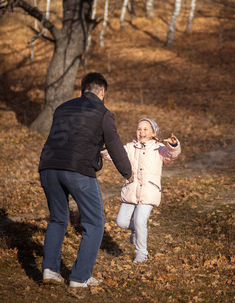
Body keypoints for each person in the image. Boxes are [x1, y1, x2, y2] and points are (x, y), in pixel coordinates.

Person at [38, 72, 133, 288]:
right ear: (102, 93)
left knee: (58, 219)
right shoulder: (103, 113)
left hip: (48, 167)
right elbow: (115, 144)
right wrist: (128, 172)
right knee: (95, 222)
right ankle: (80, 278)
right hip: (78, 170)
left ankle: (50, 270)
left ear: (81, 92)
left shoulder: (61, 108)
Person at [102, 118, 181, 263]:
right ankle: (137, 230)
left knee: (140, 220)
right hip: (131, 190)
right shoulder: (130, 147)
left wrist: (173, 146)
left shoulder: (159, 148)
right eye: (139, 129)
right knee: (121, 221)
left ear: (153, 133)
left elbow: (171, 156)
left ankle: (141, 253)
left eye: (145, 129)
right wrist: (104, 149)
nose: (142, 132)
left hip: (149, 191)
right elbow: (116, 156)